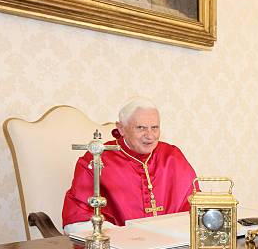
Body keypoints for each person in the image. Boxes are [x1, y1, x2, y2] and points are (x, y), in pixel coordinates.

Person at [62, 97, 197, 233]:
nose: (150, 136)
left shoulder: (172, 156)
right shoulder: (97, 159)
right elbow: (78, 219)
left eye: (154, 128)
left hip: (172, 247)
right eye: (141, 128)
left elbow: (195, 207)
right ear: (121, 128)